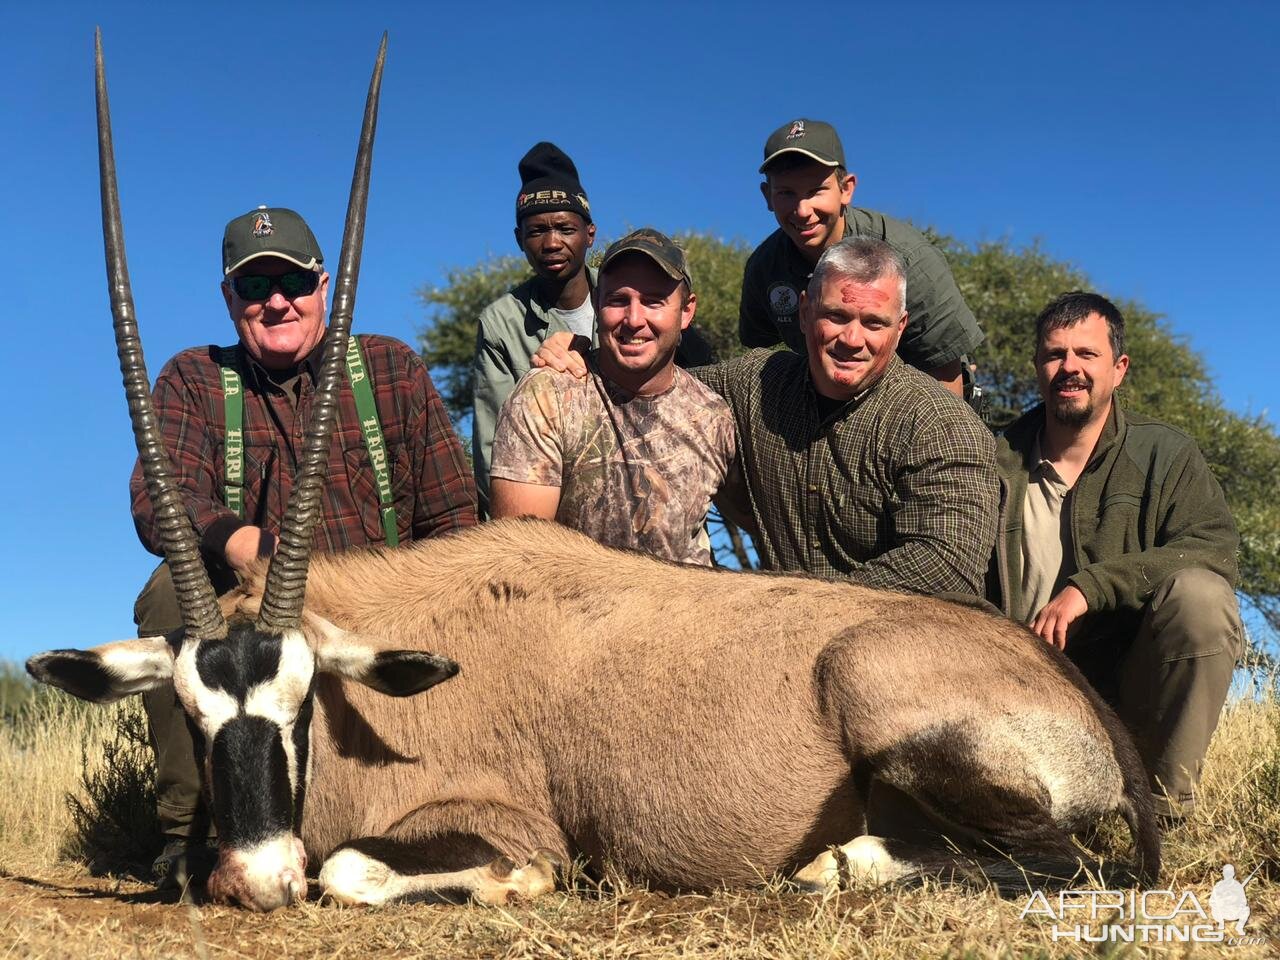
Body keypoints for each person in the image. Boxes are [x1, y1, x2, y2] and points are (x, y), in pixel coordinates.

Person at [130, 205, 477, 884]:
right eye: (254, 288)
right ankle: (191, 836)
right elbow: (158, 499)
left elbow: (457, 523)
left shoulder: (390, 370)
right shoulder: (195, 379)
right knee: (171, 590)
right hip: (254, 628)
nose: (276, 301)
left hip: (374, 625)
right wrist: (244, 544)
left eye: (291, 282)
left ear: (324, 287)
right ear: (230, 299)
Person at [536, 236, 997, 596]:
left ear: (899, 329)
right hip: (786, 657)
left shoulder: (942, 425)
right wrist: (585, 352)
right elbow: (662, 376)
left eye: (873, 323)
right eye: (835, 316)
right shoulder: (755, 382)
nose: (852, 339)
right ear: (803, 313)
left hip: (906, 652)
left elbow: (946, 564)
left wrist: (796, 606)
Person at [987, 291, 1242, 819]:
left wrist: (1089, 588)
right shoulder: (992, 457)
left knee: (1201, 598)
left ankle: (1162, 812)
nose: (1069, 368)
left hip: (1125, 693)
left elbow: (1213, 551)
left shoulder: (1166, 454)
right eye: (1055, 354)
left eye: (1086, 354)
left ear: (1119, 368)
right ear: (1037, 366)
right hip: (1013, 690)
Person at [472, 142, 714, 515]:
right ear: (519, 239)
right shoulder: (500, 323)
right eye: (537, 231)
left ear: (590, 234)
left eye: (565, 228)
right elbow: (494, 449)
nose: (552, 243)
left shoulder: (631, 292)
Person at [490, 228, 734, 566]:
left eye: (654, 301)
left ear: (687, 311)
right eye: (618, 300)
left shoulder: (714, 415)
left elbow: (754, 518)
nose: (634, 320)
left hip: (688, 612)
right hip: (577, 611)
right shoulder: (545, 396)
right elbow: (521, 561)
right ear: (597, 303)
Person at [740, 118, 984, 401]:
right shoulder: (764, 268)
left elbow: (944, 372)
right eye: (786, 193)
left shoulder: (908, 257)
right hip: (823, 403)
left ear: (846, 189)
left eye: (815, 191)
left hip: (916, 403)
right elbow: (759, 358)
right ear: (767, 196)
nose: (803, 210)